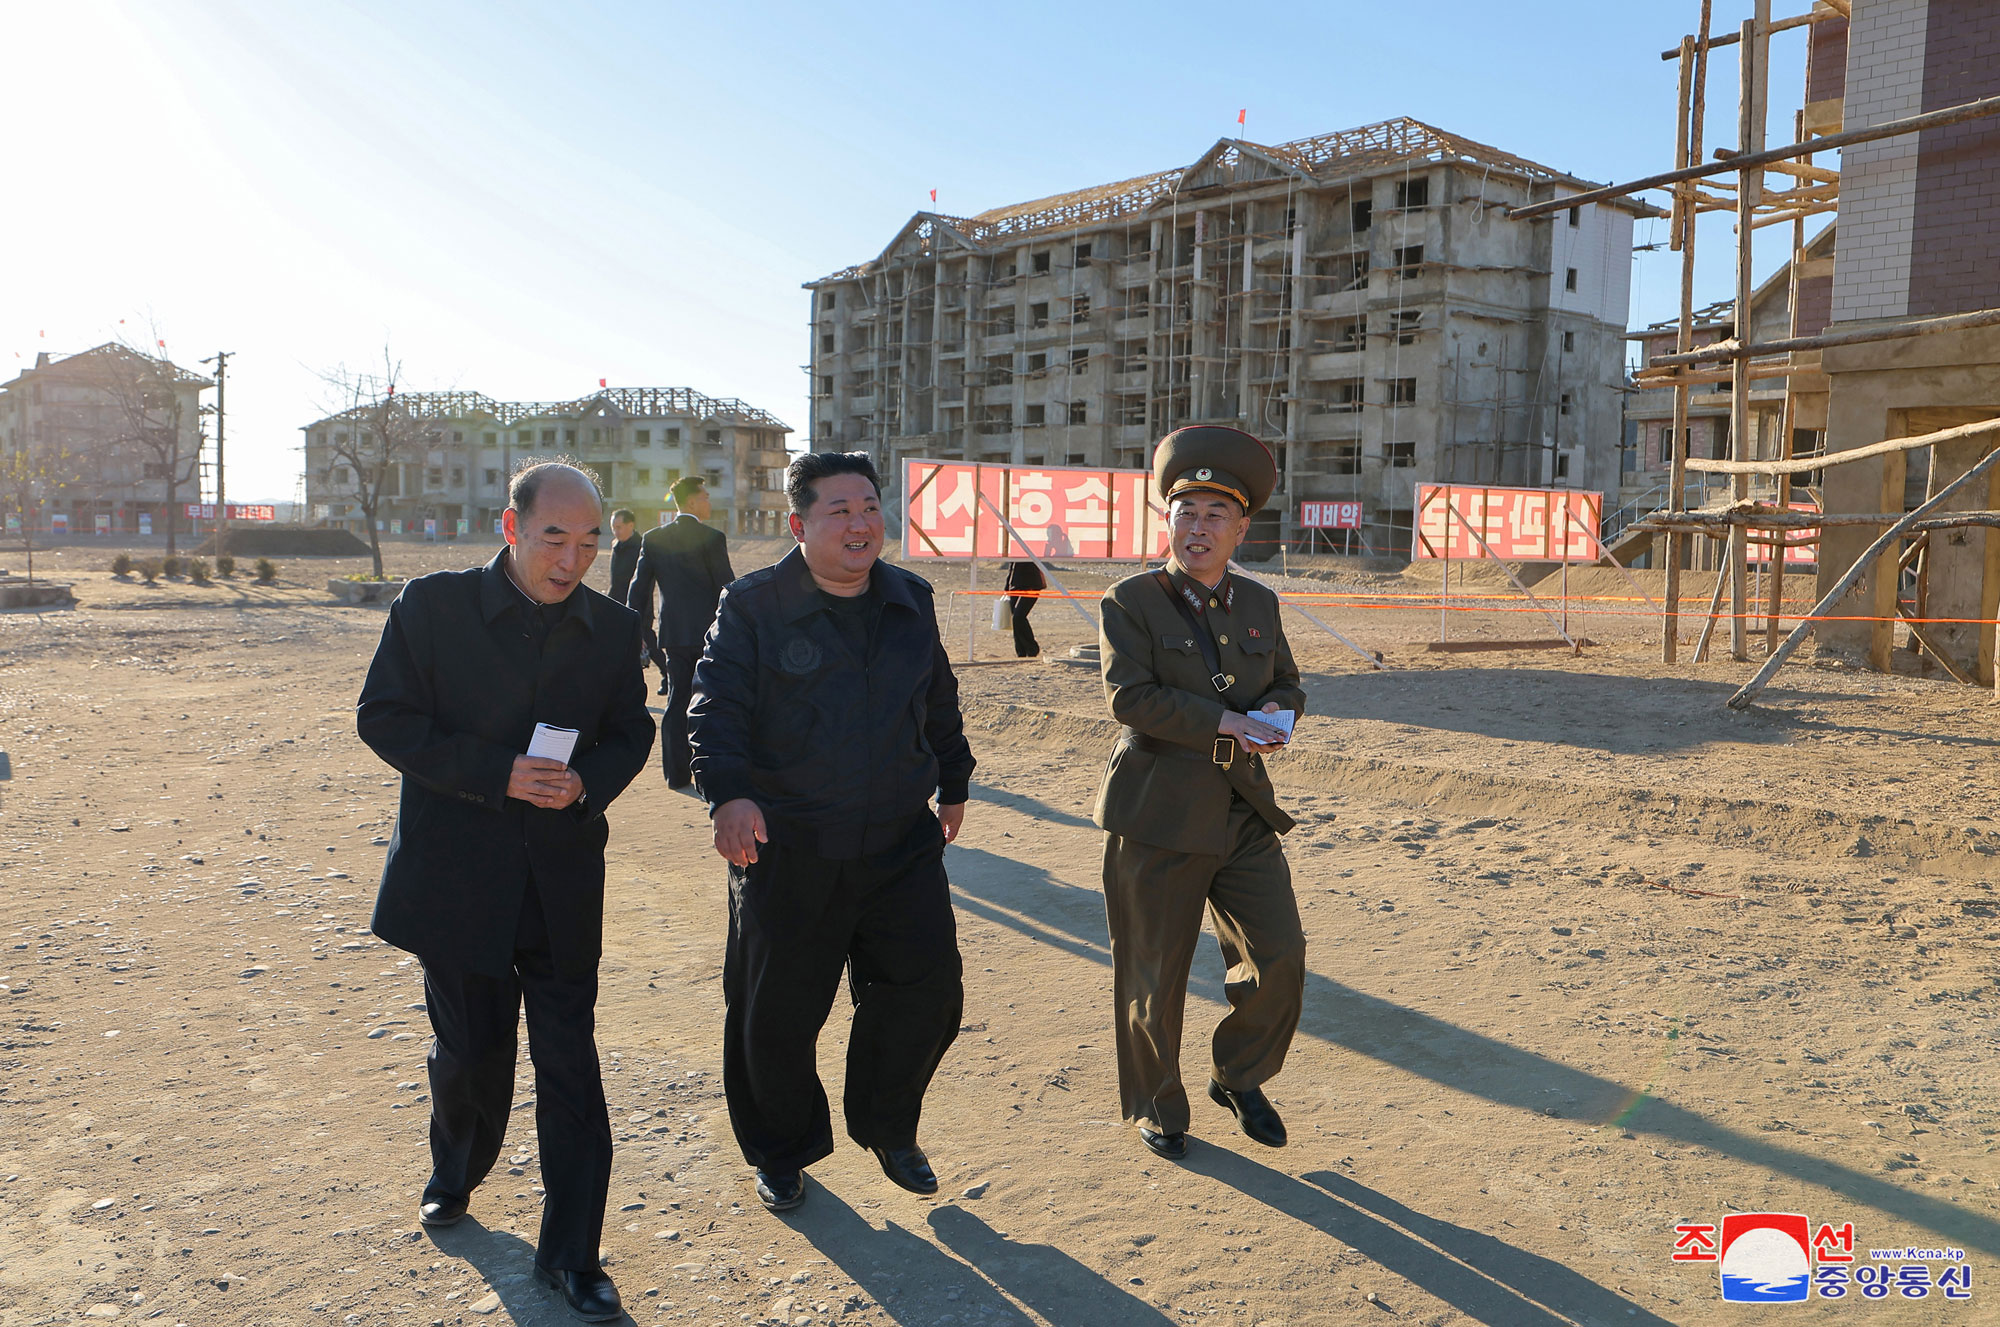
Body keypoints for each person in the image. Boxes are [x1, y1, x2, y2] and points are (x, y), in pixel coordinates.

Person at [356, 461, 654, 1323]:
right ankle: (455, 1169)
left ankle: (575, 1254)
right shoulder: (432, 607)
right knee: (472, 1058)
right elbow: (385, 716)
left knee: (571, 1068)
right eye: (555, 536)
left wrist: (586, 781)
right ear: (511, 525)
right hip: (459, 881)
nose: (573, 557)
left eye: (590, 539)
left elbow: (633, 729)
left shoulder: (612, 626)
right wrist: (498, 774)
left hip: (560, 881)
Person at [688, 450, 973, 1214]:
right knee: (775, 1009)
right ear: (800, 523)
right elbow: (714, 707)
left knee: (927, 989)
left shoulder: (911, 597)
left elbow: (937, 697)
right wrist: (729, 795)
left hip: (897, 841)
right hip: (788, 845)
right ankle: (781, 1151)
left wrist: (955, 776)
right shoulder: (752, 604)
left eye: (869, 506)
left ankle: (888, 1125)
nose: (859, 523)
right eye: (839, 510)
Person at [1092, 425, 1306, 1163]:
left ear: (1242, 527)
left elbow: (1285, 679)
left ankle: (1238, 1074)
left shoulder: (1258, 601)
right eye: (1186, 512)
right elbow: (1130, 698)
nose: (1198, 528)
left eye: (1216, 515)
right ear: (1168, 522)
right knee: (1155, 972)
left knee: (1280, 954)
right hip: (1156, 811)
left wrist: (1279, 714)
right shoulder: (1131, 601)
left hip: (1240, 805)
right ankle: (1159, 1103)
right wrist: (1224, 718)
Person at [628, 476, 734, 783]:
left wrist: (637, 630)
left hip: (673, 634)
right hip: (709, 635)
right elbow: (726, 588)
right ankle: (710, 770)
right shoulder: (712, 537)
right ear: (691, 502)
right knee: (712, 699)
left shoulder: (653, 538)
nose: (708, 502)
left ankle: (676, 774)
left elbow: (639, 590)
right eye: (705, 496)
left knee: (676, 700)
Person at [1003, 559, 1045, 658]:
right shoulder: (1015, 549)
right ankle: (1021, 650)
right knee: (1016, 619)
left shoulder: (1031, 547)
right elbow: (1012, 566)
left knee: (1018, 616)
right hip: (1015, 586)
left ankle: (1032, 648)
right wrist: (1007, 586)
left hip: (1031, 585)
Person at [606, 508, 640, 605]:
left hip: (636, 606)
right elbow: (615, 582)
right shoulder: (615, 545)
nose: (615, 532)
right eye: (613, 528)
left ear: (630, 525)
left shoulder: (642, 548)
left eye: (619, 527)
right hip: (616, 603)